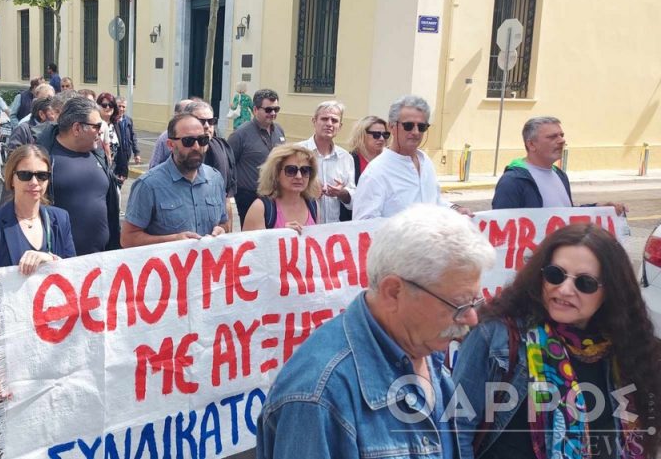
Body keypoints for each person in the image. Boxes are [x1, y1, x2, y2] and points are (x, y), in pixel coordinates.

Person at [257, 204, 495, 459]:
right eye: (458, 304)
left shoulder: (425, 348)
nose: (471, 318)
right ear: (393, 292)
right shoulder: (317, 396)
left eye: (474, 302)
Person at [453, 223, 661, 459]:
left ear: (610, 290)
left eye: (585, 283)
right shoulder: (496, 335)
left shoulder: (627, 346)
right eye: (555, 275)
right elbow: (457, 430)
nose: (564, 290)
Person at [0, 145, 76, 406]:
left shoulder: (60, 219)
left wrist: (50, 259)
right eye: (26, 175)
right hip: (9, 344)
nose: (34, 182)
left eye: (42, 175)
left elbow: (75, 277)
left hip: (51, 343)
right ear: (11, 178)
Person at [353, 94, 471, 219]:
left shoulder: (426, 162)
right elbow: (363, 223)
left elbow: (434, 201)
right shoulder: (376, 172)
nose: (415, 132)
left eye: (421, 127)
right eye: (408, 126)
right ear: (392, 127)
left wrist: (455, 209)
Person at [121, 113, 227, 247]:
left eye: (202, 140)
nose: (196, 147)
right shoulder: (148, 185)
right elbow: (127, 239)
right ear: (170, 145)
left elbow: (223, 222)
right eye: (188, 141)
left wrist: (221, 230)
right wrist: (173, 240)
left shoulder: (215, 179)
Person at [34, 97, 120, 255]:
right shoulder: (41, 159)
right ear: (77, 128)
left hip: (102, 258)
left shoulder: (98, 154)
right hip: (59, 261)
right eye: (97, 126)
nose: (101, 130)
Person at [492, 116, 627, 213]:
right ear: (531, 144)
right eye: (552, 137)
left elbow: (565, 214)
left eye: (561, 135)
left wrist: (598, 208)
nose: (561, 140)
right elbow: (502, 227)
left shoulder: (560, 175)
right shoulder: (513, 181)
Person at [228, 88, 286, 223]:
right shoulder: (240, 135)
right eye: (268, 110)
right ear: (255, 110)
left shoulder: (279, 130)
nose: (273, 113)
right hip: (249, 197)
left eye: (276, 109)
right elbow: (228, 165)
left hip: (274, 194)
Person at [296, 101, 355, 224]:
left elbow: (353, 200)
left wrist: (341, 193)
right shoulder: (297, 152)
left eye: (334, 120)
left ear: (340, 126)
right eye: (324, 119)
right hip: (303, 227)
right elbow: (281, 192)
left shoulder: (345, 158)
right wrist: (309, 191)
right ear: (314, 121)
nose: (329, 124)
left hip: (333, 229)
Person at [242, 144, 321, 233]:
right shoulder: (260, 208)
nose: (299, 176)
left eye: (305, 170)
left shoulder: (313, 205)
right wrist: (280, 234)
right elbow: (250, 242)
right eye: (291, 170)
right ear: (276, 173)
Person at [186, 100, 236, 231]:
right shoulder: (178, 151)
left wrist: (227, 231)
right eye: (201, 121)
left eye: (211, 121)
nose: (207, 126)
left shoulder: (223, 147)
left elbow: (226, 198)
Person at [340, 115, 389, 221]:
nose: (381, 139)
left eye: (385, 135)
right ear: (362, 135)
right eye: (376, 135)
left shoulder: (390, 161)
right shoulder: (349, 160)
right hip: (355, 221)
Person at [148, 99, 195, 168]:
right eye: (188, 112)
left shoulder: (202, 136)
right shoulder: (165, 138)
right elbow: (154, 166)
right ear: (177, 115)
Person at [96, 92, 121, 178]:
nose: (108, 107)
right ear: (98, 106)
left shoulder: (117, 124)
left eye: (111, 105)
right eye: (104, 105)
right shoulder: (95, 124)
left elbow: (122, 149)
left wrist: (122, 170)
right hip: (99, 168)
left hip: (114, 169)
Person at [115, 98, 140, 165]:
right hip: (115, 155)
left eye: (123, 107)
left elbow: (133, 137)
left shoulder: (128, 120)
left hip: (126, 154)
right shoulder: (111, 120)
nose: (121, 109)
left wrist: (136, 153)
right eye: (119, 106)